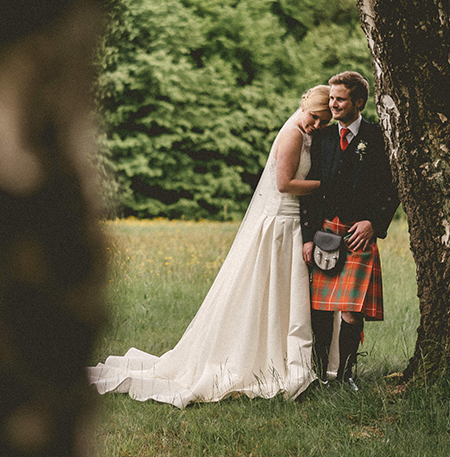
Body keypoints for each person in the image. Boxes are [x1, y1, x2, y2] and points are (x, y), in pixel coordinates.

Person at [88, 86, 334, 407]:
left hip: (291, 224)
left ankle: (286, 356)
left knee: (283, 294)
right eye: (315, 117)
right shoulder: (291, 134)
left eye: (324, 121)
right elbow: (284, 183)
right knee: (268, 290)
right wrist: (330, 186)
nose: (317, 125)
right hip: (280, 224)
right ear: (305, 107)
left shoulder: (307, 134)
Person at [300, 71, 399, 391]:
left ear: (358, 102)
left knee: (352, 312)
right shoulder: (324, 138)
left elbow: (393, 188)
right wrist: (307, 236)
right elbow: (312, 191)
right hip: (327, 233)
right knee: (320, 311)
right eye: (331, 98)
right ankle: (318, 374)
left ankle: (346, 375)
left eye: (339, 99)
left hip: (359, 235)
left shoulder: (378, 136)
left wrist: (374, 223)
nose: (333, 104)